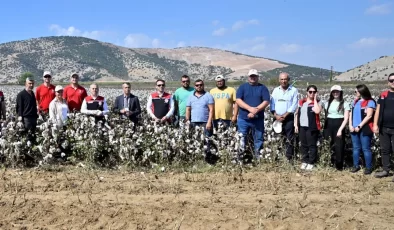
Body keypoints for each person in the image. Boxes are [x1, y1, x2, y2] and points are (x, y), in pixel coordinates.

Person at [236, 69, 270, 160]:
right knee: (241, 138)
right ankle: (241, 158)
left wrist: (256, 110)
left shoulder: (263, 88)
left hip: (258, 119)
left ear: (257, 77)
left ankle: (258, 158)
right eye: (251, 76)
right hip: (243, 118)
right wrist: (250, 109)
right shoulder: (242, 87)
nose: (253, 78)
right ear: (248, 77)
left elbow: (266, 101)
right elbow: (238, 100)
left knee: (258, 139)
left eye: (254, 76)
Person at [270, 72, 298, 161]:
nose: (283, 81)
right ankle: (277, 156)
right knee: (277, 137)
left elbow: (294, 105)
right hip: (277, 118)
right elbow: (272, 103)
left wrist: (285, 115)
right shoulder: (275, 90)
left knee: (289, 138)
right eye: (281, 79)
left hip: (289, 118)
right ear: (279, 80)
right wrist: (275, 115)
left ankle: (288, 158)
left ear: (288, 80)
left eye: (285, 79)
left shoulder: (294, 90)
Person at [349, 84, 376, 175]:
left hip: (365, 128)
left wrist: (359, 126)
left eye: (356, 91)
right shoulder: (355, 101)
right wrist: (350, 125)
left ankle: (368, 167)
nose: (355, 93)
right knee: (356, 148)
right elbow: (351, 114)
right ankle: (355, 165)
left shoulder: (370, 102)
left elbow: (369, 116)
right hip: (354, 128)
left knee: (366, 148)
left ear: (361, 91)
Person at [294, 85, 322, 171]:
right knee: (303, 145)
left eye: (314, 92)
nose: (312, 93)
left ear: (316, 93)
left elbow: (317, 111)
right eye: (310, 92)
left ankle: (311, 162)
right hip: (302, 126)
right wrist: (296, 125)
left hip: (312, 127)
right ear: (307, 92)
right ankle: (305, 161)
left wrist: (315, 99)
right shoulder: (302, 102)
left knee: (312, 145)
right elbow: (296, 114)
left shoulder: (318, 102)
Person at [323, 85, 350, 170]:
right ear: (331, 93)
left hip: (339, 124)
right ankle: (329, 162)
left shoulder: (345, 103)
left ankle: (339, 165)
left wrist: (340, 130)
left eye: (337, 91)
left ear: (340, 92)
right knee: (328, 144)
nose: (335, 93)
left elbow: (346, 119)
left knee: (339, 145)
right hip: (329, 125)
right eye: (334, 92)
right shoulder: (327, 103)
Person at [185, 79, 214, 158]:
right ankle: (197, 157)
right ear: (195, 86)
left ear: (203, 85)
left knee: (206, 140)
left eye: (201, 85)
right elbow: (188, 109)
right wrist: (187, 121)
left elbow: (211, 110)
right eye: (197, 85)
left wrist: (209, 122)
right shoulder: (190, 96)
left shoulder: (208, 96)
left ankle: (207, 157)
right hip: (193, 121)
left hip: (205, 122)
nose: (199, 86)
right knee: (195, 140)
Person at [374, 73, 394, 178]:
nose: (393, 82)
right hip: (384, 127)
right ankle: (386, 170)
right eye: (391, 80)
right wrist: (375, 125)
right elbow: (377, 111)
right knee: (385, 149)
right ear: (388, 82)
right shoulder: (384, 95)